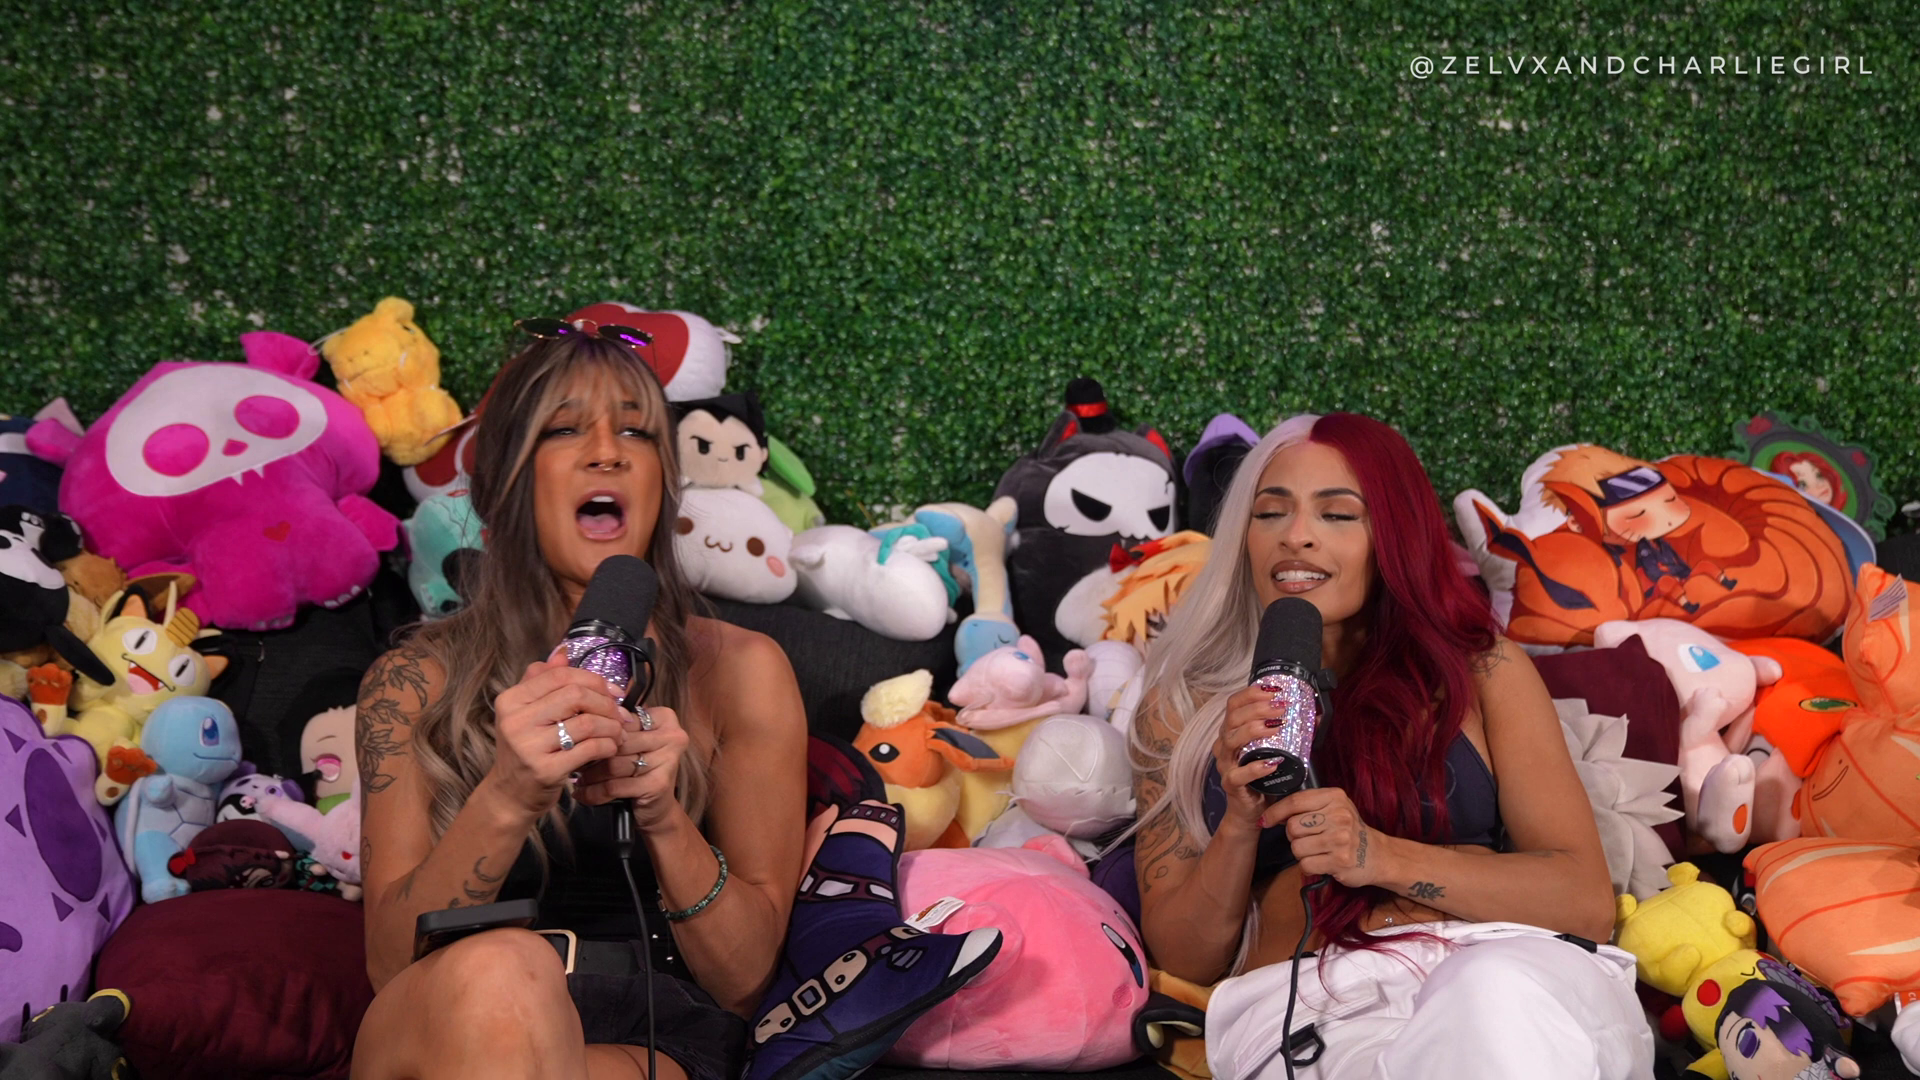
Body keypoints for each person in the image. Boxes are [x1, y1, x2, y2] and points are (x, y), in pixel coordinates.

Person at [1130, 413, 1653, 1079]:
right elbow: (1184, 958)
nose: (1296, 536)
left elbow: (1584, 903)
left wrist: (1374, 856)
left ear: (1393, 537)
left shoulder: (1483, 671)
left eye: (1338, 514)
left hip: (1502, 964)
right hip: (1311, 1006)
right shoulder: (1179, 704)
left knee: (1490, 998)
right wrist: (1238, 820)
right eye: (1271, 512)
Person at [351, 321, 808, 1080]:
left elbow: (745, 981)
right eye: (565, 430)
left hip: (652, 1029)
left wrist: (662, 815)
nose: (608, 452)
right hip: (445, 1013)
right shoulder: (412, 682)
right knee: (501, 975)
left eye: (636, 431)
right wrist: (508, 792)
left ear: (662, 479)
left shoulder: (740, 670)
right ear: (506, 478)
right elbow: (389, 965)